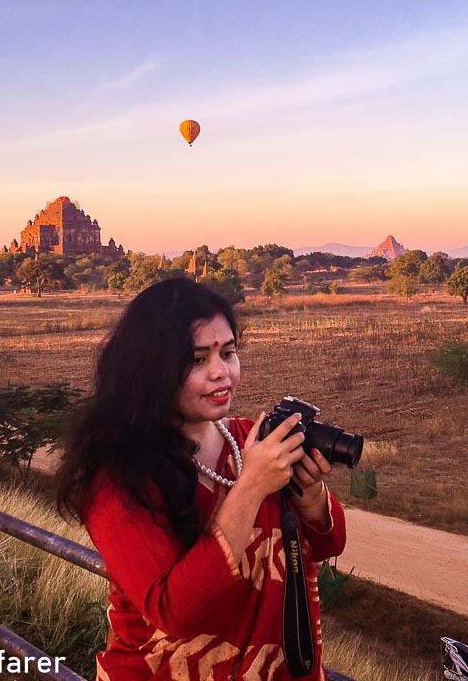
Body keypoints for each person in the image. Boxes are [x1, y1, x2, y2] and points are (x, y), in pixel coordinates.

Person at [57, 278, 346, 681]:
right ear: (151, 369)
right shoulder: (117, 475)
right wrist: (251, 487)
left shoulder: (253, 440)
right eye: (196, 360)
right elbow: (176, 611)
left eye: (228, 353)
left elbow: (327, 544)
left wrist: (311, 494)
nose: (221, 373)